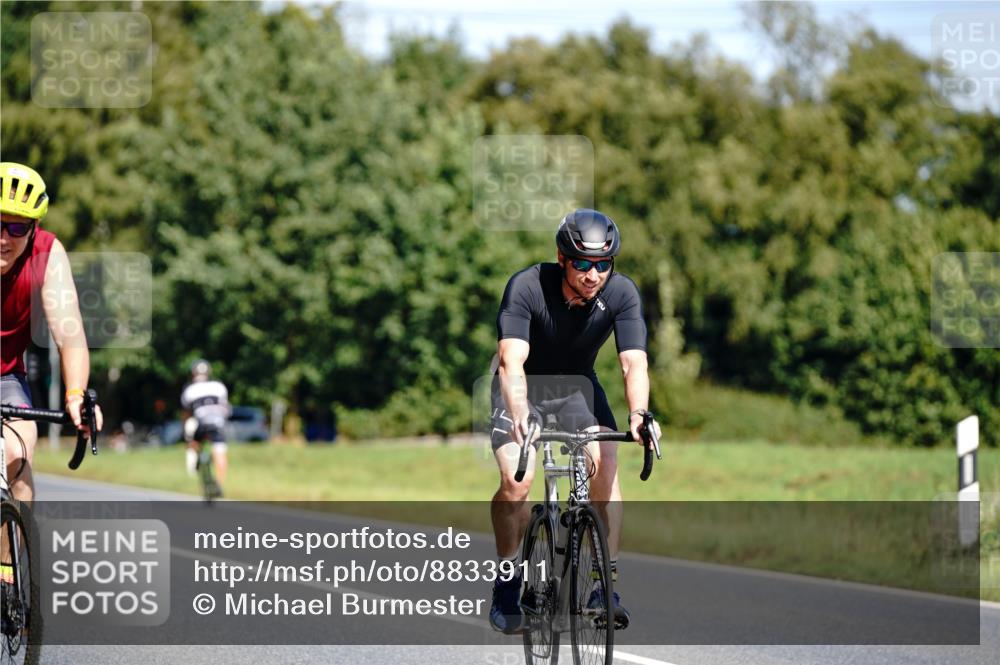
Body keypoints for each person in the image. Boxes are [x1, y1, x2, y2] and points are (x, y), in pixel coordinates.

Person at [488, 208, 662, 634]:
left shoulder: (622, 294)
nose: (593, 274)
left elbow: (632, 363)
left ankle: (605, 584)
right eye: (582, 263)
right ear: (562, 257)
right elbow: (512, 360)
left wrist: (639, 414)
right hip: (521, 386)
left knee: (606, 462)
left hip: (577, 390)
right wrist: (520, 414)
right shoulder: (527, 285)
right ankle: (509, 579)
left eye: (603, 264)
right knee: (516, 481)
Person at [0, 162, 103, 504]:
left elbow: (69, 334)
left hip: (5, 376)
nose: (4, 238)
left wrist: (75, 395)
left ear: (33, 228)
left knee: (18, 453)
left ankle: (8, 558)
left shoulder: (47, 254)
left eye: (17, 227)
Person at [180, 359, 230, 497]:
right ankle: (219, 483)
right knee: (220, 451)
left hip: (202, 424)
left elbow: (186, 414)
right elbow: (225, 407)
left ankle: (197, 462)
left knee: (193, 442)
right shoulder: (219, 386)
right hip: (218, 423)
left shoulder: (189, 389)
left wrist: (185, 435)